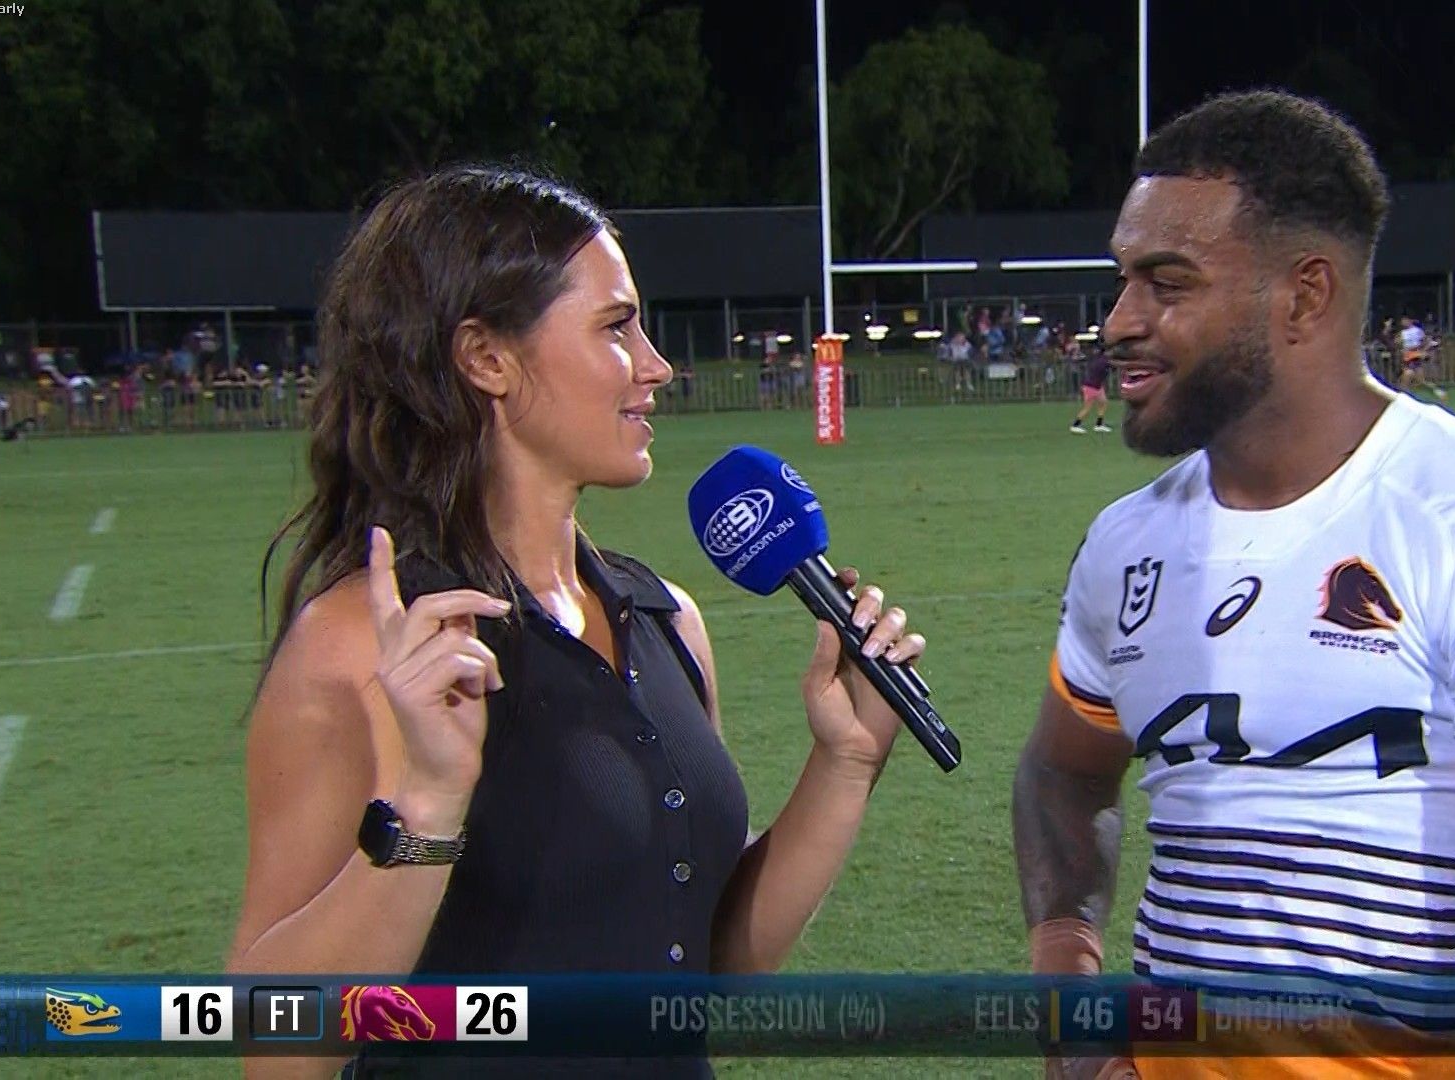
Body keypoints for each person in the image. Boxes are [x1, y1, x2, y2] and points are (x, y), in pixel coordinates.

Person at [227, 165, 929, 1079]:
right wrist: (428, 808)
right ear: (486, 358)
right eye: (615, 327)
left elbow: (704, 978)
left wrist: (844, 764)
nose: (657, 366)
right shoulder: (362, 643)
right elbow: (276, 1049)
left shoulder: (666, 618)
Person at [1012, 91, 1455, 1079]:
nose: (1119, 322)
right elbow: (1062, 772)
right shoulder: (1127, 544)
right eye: (1122, 279)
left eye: (1167, 283)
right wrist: (1076, 1007)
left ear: (1305, 295)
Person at [1395, 315, 1447, 400]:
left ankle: (1437, 391)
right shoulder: (1402, 332)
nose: (1403, 322)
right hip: (1408, 357)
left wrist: (1422, 351)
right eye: (1402, 321)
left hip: (1415, 356)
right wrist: (1400, 347)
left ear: (1410, 320)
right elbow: (1397, 343)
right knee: (1409, 376)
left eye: (1404, 320)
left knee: (1417, 379)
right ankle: (1402, 394)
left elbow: (1427, 341)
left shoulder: (1417, 331)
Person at [1070, 344, 1113, 433]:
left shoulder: (1099, 359)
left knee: (1103, 402)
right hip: (1091, 386)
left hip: (1097, 386)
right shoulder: (1103, 361)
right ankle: (1075, 425)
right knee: (1088, 407)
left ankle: (1099, 424)